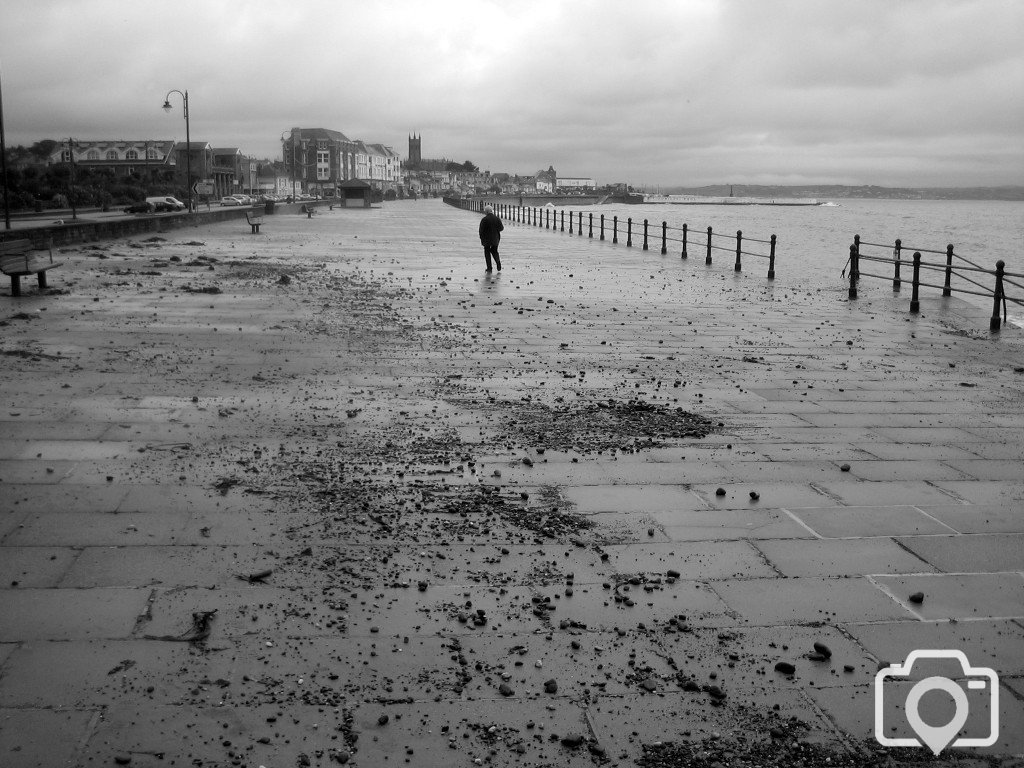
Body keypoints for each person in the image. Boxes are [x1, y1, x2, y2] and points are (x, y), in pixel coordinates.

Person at [478, 204, 504, 272]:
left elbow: (481, 230)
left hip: (486, 240)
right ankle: (498, 262)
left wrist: (481, 238)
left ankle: (489, 268)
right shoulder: (497, 218)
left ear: (486, 212)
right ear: (491, 211)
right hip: (495, 239)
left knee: (487, 253)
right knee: (494, 251)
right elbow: (501, 228)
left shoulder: (484, 219)